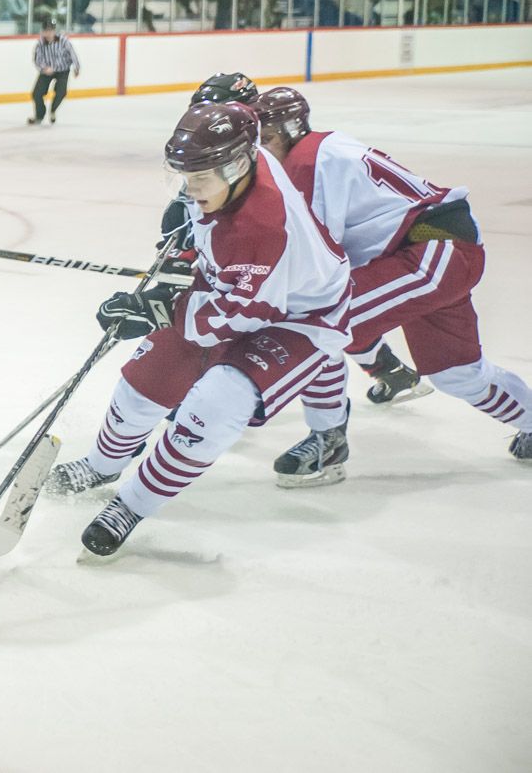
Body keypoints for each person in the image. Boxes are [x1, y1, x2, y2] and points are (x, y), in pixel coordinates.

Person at [47, 99, 352, 556]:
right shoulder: (239, 166)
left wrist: (158, 310)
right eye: (184, 179)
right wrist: (184, 251)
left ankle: (132, 505)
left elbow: (238, 315)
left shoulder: (263, 227)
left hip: (300, 318)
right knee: (145, 381)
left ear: (237, 166)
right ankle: (103, 464)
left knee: (213, 407)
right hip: (238, 289)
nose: (189, 190)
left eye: (199, 180)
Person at [252, 86, 532, 481]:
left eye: (264, 140)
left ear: (286, 134)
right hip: (439, 251)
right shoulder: (320, 148)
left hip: (430, 252)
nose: (257, 153)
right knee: (458, 375)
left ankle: (328, 442)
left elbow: (315, 258)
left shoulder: (303, 163)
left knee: (320, 321)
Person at [29, 20, 79, 124]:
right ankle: (39, 115)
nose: (49, 33)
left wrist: (76, 67)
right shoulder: (40, 43)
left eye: (51, 30)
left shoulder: (63, 41)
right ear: (42, 32)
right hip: (47, 71)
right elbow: (37, 59)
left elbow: (72, 53)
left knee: (61, 92)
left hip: (63, 70)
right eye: (46, 31)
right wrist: (45, 68)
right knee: (36, 93)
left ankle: (52, 110)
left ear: (54, 30)